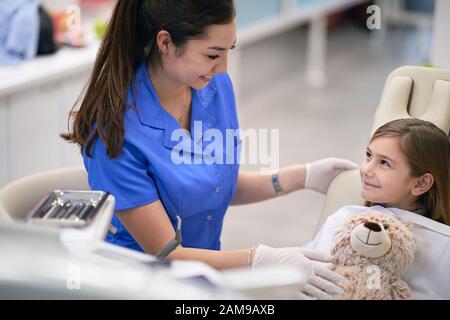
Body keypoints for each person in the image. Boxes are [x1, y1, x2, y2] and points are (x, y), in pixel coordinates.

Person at [61, 0, 356, 299]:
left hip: (203, 276)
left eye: (229, 50)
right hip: (138, 284)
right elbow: (167, 255)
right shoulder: (117, 134)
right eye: (213, 54)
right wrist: (260, 259)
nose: (223, 68)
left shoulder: (211, 87)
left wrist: (300, 177)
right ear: (165, 42)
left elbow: (212, 185)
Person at [306, 118, 450, 299]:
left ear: (421, 183)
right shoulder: (343, 219)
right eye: (368, 155)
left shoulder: (443, 246)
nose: (366, 169)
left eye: (384, 163)